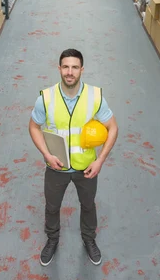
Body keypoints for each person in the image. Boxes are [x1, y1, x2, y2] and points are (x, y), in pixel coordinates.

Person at [29, 48, 118, 267]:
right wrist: (47, 155)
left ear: (82, 70)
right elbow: (33, 127)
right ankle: (52, 239)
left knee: (88, 205)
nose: (70, 72)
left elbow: (113, 128)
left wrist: (100, 160)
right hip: (56, 166)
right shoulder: (46, 97)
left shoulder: (94, 96)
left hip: (86, 167)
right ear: (59, 69)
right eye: (66, 67)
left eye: (75, 67)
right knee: (52, 206)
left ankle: (89, 240)